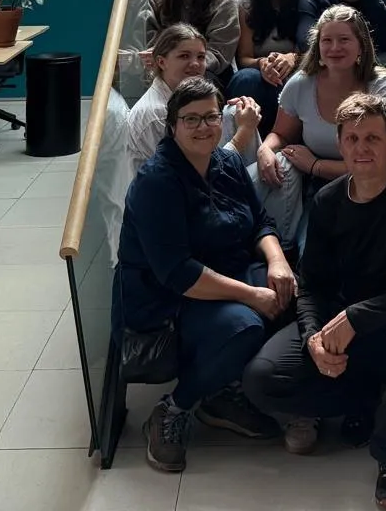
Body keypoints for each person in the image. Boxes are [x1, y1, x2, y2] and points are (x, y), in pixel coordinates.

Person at [243, 93, 386, 510]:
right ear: (340, 145)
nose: (362, 148)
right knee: (262, 379)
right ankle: (373, 400)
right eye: (353, 139)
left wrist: (358, 316)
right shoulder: (328, 200)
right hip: (344, 329)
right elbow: (312, 284)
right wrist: (312, 341)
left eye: (373, 139)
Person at [117, 77, 293, 473]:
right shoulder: (156, 182)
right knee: (244, 325)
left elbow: (259, 222)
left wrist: (278, 262)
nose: (203, 127)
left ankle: (223, 389)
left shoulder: (226, 162)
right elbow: (179, 273)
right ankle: (174, 409)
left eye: (211, 117)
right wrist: (251, 294)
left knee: (294, 291)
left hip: (226, 273)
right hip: (170, 299)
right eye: (191, 119)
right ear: (173, 125)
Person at [255, 5, 386, 243]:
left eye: (344, 39)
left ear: (361, 45)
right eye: (327, 40)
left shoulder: (385, 87)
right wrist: (265, 148)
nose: (335, 48)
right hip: (319, 189)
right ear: (318, 47)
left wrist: (317, 165)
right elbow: (281, 134)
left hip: (376, 185)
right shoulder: (301, 84)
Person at [126, 25, 262, 173]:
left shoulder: (181, 98)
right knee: (284, 170)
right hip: (174, 192)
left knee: (238, 110)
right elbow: (194, 178)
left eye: (201, 57)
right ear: (161, 62)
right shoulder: (157, 114)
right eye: (184, 56)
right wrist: (244, 132)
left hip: (194, 181)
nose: (195, 64)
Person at [229, 0, 304, 135]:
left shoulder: (306, 0)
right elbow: (244, 58)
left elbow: (316, 51)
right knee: (246, 79)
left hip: (295, 74)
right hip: (261, 77)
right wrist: (262, 64)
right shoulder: (245, 3)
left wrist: (292, 58)